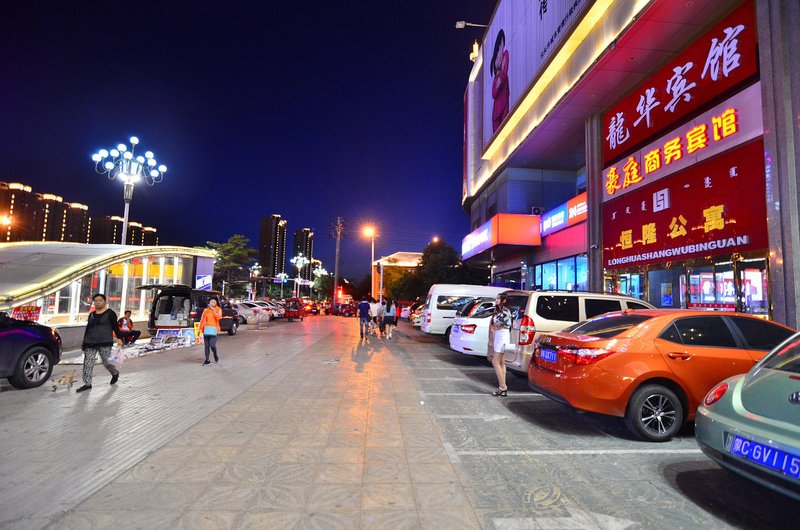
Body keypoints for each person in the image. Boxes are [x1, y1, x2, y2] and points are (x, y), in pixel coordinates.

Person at [76, 293, 124, 392]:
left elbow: (115, 327)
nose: (98, 302)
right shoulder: (91, 315)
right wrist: (84, 342)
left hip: (105, 342)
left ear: (104, 301)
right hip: (90, 342)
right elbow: (88, 328)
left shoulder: (110, 313)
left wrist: (119, 338)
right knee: (88, 363)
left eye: (100, 300)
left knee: (106, 362)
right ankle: (87, 383)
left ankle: (115, 373)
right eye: (96, 301)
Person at [490, 293, 513, 397]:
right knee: (501, 362)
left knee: (495, 362)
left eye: (499, 298)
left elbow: (500, 325)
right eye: (497, 298)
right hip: (498, 336)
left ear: (504, 300)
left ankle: (502, 387)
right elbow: (494, 325)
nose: (497, 300)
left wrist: (495, 326)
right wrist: (495, 326)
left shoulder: (505, 311)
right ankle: (503, 387)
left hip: (502, 336)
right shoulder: (498, 310)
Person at [491, 28, 510, 132]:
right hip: (496, 113)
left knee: (505, 131)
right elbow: (494, 93)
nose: (500, 54)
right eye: (498, 51)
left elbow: (504, 73)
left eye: (501, 49)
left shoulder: (505, 55)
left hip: (504, 107)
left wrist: (500, 79)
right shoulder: (496, 78)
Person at [199, 298, 222, 366]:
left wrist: (213, 311)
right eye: (211, 302)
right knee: (206, 346)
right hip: (206, 330)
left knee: (212, 345)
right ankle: (207, 360)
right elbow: (202, 319)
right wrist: (200, 329)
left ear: (216, 304)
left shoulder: (218, 309)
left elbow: (219, 317)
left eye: (213, 302)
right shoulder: (206, 310)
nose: (212, 303)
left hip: (214, 330)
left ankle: (215, 354)